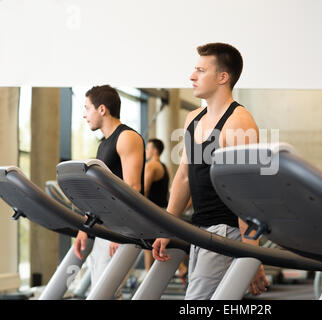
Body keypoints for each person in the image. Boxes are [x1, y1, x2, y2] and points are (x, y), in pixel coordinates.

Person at [152, 42, 270, 299]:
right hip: (200, 228)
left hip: (226, 231)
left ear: (222, 77)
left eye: (200, 70)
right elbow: (183, 177)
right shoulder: (193, 118)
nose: (192, 76)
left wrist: (253, 256)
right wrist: (167, 227)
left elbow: (246, 195)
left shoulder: (239, 122)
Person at [73, 85, 145, 287]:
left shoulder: (126, 137)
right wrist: (84, 228)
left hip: (120, 229)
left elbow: (133, 188)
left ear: (102, 109)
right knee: (102, 290)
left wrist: (122, 232)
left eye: (87, 108)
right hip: (106, 227)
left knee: (106, 291)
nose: (84, 115)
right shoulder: (104, 144)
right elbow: (99, 193)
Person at [143, 138, 170, 271]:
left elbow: (144, 190)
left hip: (152, 212)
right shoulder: (165, 167)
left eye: (147, 148)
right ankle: (182, 270)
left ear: (154, 150)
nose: (145, 151)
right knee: (155, 246)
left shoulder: (151, 165)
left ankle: (149, 275)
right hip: (162, 211)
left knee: (148, 247)